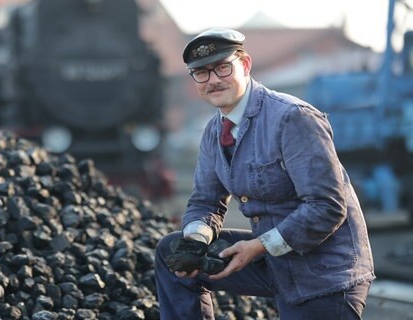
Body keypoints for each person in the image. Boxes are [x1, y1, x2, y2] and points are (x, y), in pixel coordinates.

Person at [154, 28, 375, 320]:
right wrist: (195, 241)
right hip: (272, 260)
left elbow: (327, 207)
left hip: (322, 273)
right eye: (202, 73)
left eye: (222, 68)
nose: (213, 80)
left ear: (245, 65)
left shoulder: (292, 118)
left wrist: (257, 247)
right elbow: (205, 201)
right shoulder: (213, 132)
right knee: (170, 250)